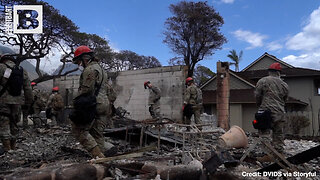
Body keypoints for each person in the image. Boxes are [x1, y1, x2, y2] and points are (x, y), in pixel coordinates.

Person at [71, 45, 116, 158]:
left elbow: (86, 89)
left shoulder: (90, 69)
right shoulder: (102, 70)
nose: (79, 65)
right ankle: (101, 160)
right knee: (97, 134)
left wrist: (75, 103)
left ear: (85, 58)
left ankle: (99, 156)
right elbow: (110, 91)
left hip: (93, 104)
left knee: (79, 130)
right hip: (104, 105)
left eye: (79, 62)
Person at [0, 45, 33, 152]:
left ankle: (7, 148)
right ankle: (13, 147)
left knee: (4, 123)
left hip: (3, 101)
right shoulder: (22, 70)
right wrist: (28, 102)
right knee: (14, 123)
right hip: (18, 101)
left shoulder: (1, 67)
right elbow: (28, 88)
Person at [255, 62, 289, 162]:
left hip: (266, 111)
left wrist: (259, 105)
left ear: (269, 71)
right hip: (280, 112)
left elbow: (257, 95)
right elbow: (285, 99)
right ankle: (279, 154)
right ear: (279, 72)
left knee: (264, 133)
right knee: (278, 134)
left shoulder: (263, 81)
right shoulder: (284, 84)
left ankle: (267, 155)